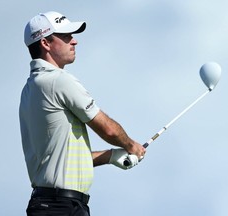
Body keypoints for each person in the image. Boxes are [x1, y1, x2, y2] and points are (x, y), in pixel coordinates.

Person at [19, 11, 146, 216]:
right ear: (45, 43)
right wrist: (131, 145)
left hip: (54, 205)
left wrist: (111, 156)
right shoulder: (58, 81)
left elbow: (60, 160)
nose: (74, 41)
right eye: (66, 36)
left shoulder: (30, 89)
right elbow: (108, 130)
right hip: (59, 207)